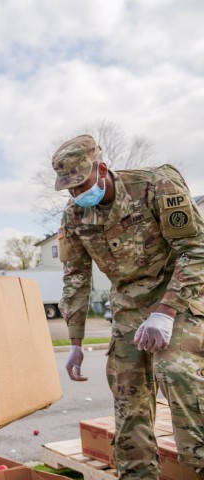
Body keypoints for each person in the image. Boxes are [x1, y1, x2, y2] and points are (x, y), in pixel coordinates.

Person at [53, 134, 204, 479]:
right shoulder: (75, 215)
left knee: (176, 371)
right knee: (127, 396)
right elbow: (75, 277)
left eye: (82, 184)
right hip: (129, 307)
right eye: (70, 189)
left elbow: (195, 250)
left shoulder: (156, 184)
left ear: (102, 169)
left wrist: (165, 312)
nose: (77, 195)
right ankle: (138, 475)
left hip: (178, 296)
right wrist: (75, 342)